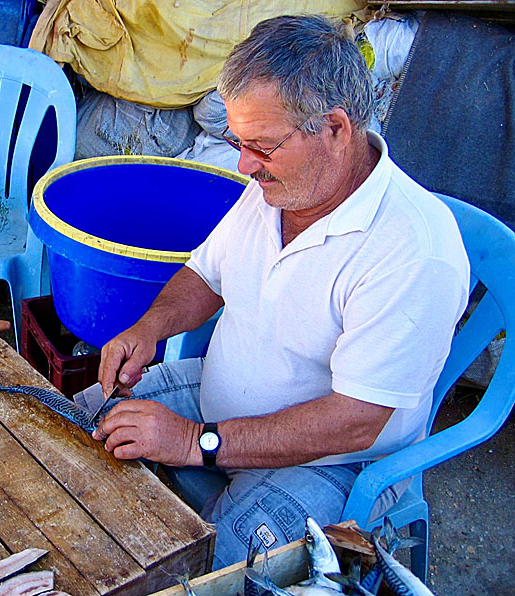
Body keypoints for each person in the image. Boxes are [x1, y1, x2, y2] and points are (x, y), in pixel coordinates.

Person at [74, 15, 470, 569]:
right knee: (72, 435)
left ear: (335, 129)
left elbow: (356, 419)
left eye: (261, 146)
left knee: (200, 570)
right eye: (239, 142)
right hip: (213, 403)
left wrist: (194, 442)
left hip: (335, 462)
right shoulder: (279, 186)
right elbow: (206, 275)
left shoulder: (413, 249)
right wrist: (148, 329)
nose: (243, 164)